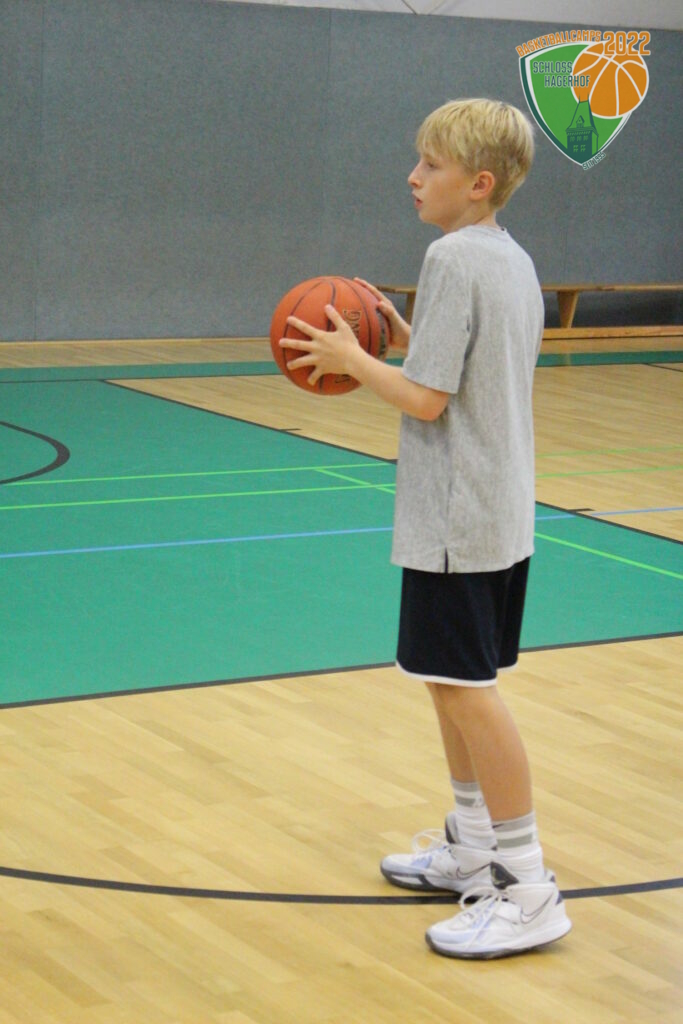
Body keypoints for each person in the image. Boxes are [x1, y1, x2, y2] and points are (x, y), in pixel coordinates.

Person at [279, 98, 571, 959]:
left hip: (455, 516)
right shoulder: (509, 258)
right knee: (448, 679)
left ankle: (526, 886)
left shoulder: (449, 255)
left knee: (466, 691)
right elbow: (470, 370)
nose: (412, 177)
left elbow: (426, 399)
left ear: (477, 183)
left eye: (430, 165)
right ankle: (472, 844)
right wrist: (408, 335)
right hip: (499, 507)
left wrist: (352, 358)